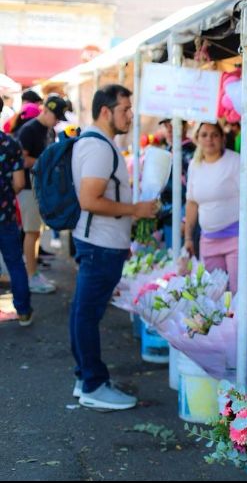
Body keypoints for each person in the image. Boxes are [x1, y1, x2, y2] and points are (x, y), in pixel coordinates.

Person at [70, 84, 157, 410]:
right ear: (106, 111)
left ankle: (85, 379)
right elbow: (90, 199)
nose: (130, 115)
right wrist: (136, 211)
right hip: (100, 244)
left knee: (83, 312)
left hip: (102, 242)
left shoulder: (97, 144)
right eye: (124, 109)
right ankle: (93, 384)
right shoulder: (99, 148)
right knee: (87, 315)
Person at [184, 122, 247, 294]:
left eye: (214, 135)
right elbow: (192, 202)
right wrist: (188, 237)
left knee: (241, 293)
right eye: (204, 135)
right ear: (197, 139)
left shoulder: (235, 161)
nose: (209, 139)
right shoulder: (195, 165)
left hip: (236, 238)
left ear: (222, 138)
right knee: (213, 294)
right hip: (208, 239)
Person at [16, 96, 68, 294]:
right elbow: (21, 159)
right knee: (31, 232)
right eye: (56, 116)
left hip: (40, 188)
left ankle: (33, 271)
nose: (57, 121)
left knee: (36, 232)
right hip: (29, 188)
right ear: (45, 110)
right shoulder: (29, 130)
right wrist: (44, 163)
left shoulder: (49, 130)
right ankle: (30, 276)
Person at [0, 100, 32, 325]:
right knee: (14, 263)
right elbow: (20, 182)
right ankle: (23, 311)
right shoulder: (10, 144)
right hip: (5, 215)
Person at [157, 118, 196, 250]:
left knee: (183, 262)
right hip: (168, 215)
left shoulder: (189, 152)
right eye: (166, 125)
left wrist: (185, 219)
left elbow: (194, 190)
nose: (169, 129)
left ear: (184, 127)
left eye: (173, 125)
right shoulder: (168, 149)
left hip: (183, 216)